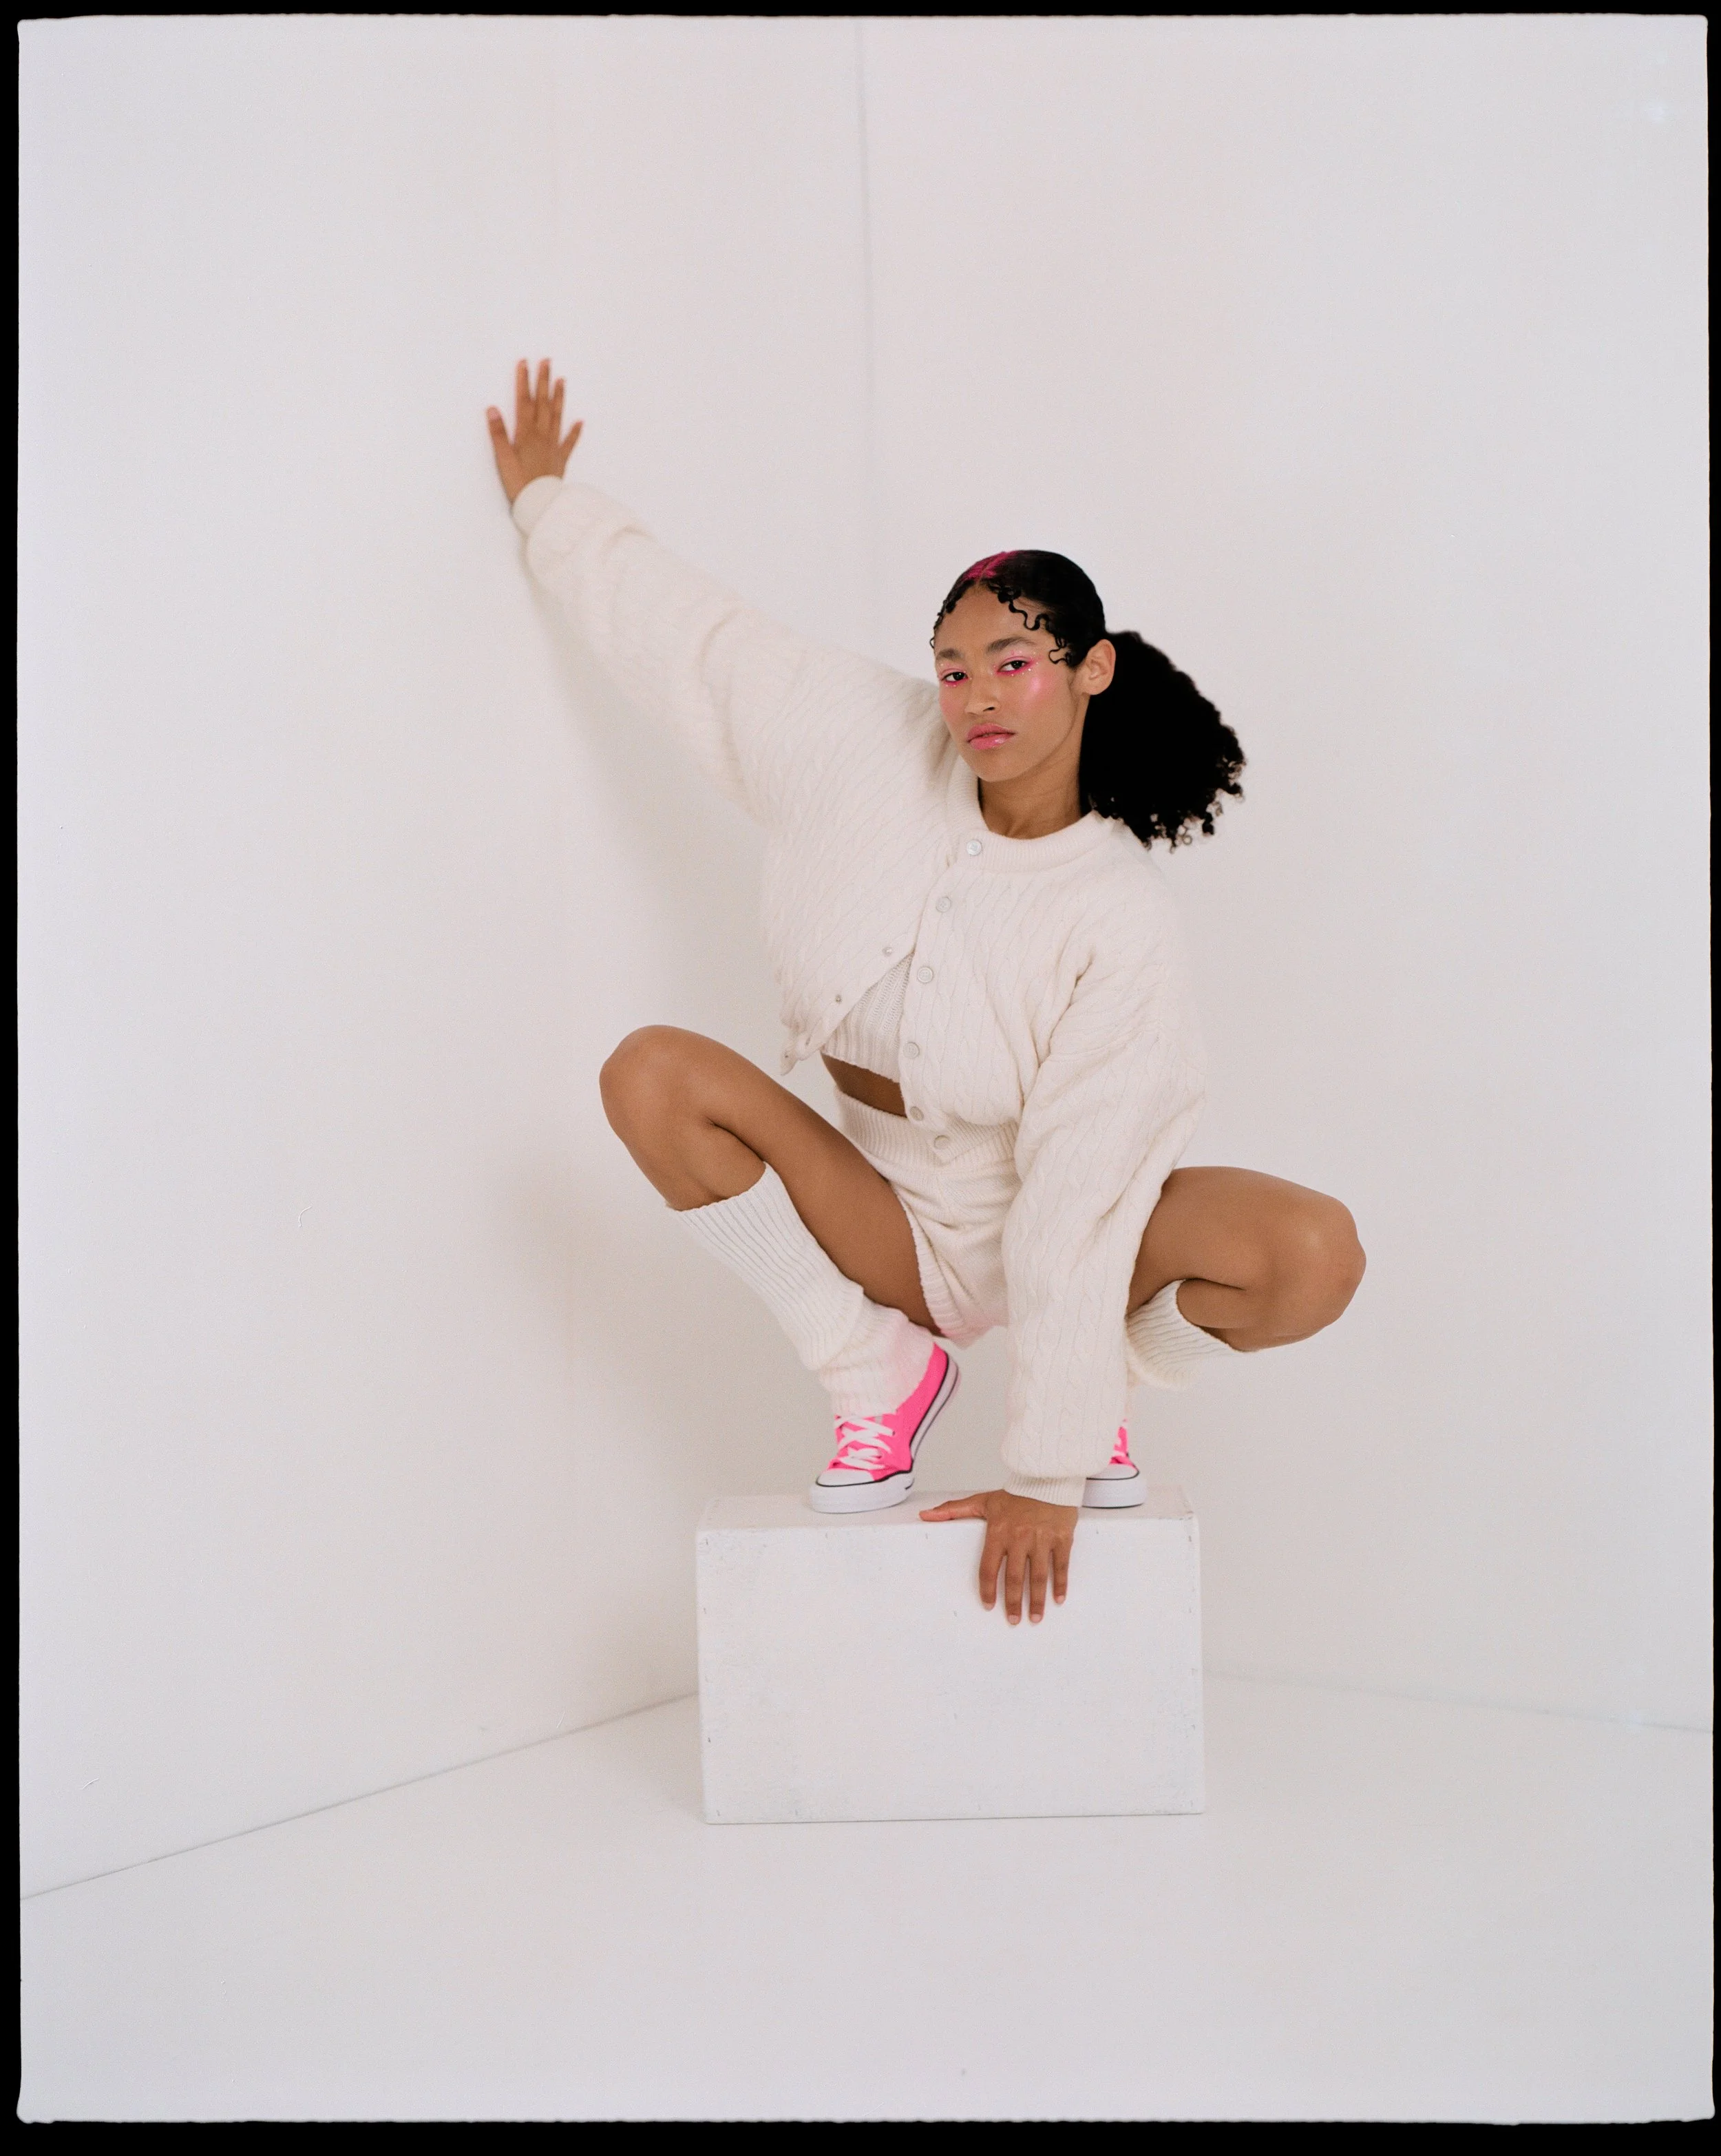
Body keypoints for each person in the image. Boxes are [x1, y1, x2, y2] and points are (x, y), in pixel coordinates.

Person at [487, 360, 1365, 1627]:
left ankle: (1099, 1381)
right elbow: (698, 642)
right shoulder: (859, 737)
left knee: (1311, 1253)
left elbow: (1077, 1197)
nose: (976, 696)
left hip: (1084, 1222)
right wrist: (551, 508)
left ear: (1092, 668)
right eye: (952, 669)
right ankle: (875, 1375)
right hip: (888, 1217)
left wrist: (1050, 1465)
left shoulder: (1117, 917)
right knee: (651, 1074)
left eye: (1013, 661)